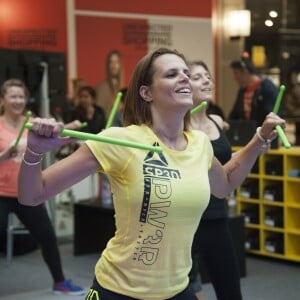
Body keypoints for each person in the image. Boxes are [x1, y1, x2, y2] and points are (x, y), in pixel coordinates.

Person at [18, 48, 285, 300]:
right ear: (146, 93)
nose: (184, 77)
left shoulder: (199, 144)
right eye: (171, 74)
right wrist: (34, 152)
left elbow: (224, 184)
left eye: (185, 73)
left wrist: (259, 137)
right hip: (118, 289)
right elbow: (33, 195)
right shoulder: (118, 141)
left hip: (177, 290)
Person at [0, 78, 85, 296]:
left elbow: (51, 136)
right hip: (0, 193)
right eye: (13, 96)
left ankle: (60, 282)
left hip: (26, 194)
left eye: (21, 96)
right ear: (3, 100)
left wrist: (69, 130)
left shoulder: (33, 123)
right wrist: (4, 156)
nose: (18, 100)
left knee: (48, 237)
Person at [188, 61, 243, 300]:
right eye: (198, 77)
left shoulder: (217, 122)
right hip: (188, 219)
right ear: (184, 85)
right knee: (190, 290)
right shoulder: (176, 126)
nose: (207, 81)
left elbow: (225, 166)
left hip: (218, 217)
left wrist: (256, 145)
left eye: (207, 76)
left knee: (231, 291)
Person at [228, 55, 278, 126]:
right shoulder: (242, 91)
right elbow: (235, 113)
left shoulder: (267, 88)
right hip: (248, 132)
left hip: (265, 132)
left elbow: (271, 113)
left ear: (245, 72)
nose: (234, 77)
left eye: (236, 73)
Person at [95, 50, 124, 118]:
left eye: (117, 62)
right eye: (111, 62)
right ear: (108, 65)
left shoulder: (123, 88)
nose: (114, 65)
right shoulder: (101, 88)